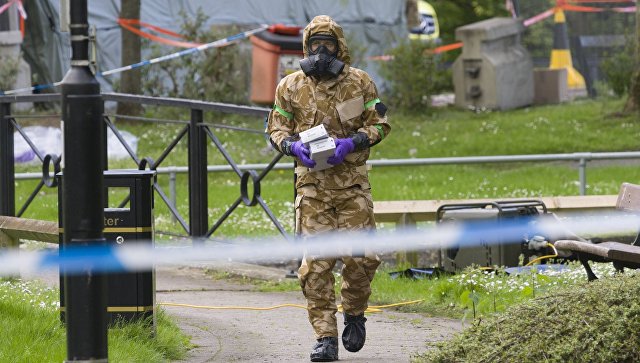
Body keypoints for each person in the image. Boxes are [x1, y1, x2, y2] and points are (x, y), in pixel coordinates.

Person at [266, 15, 391, 362]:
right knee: (316, 267)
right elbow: (276, 127)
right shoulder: (289, 86)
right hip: (312, 189)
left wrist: (353, 142)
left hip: (351, 185)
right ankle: (325, 337)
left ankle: (354, 313)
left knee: (362, 259)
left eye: (328, 43)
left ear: (340, 46)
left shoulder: (361, 82)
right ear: (306, 47)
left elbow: (381, 122)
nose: (321, 51)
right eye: (315, 44)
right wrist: (291, 147)